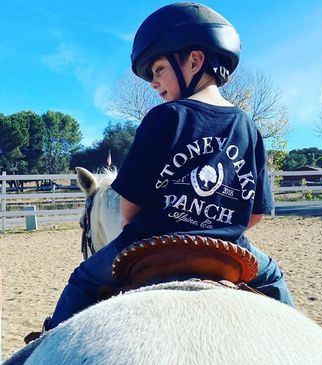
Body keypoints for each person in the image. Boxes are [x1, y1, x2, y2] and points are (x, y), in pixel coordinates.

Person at [48, 2, 294, 330]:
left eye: (158, 69)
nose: (153, 82)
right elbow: (256, 214)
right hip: (226, 247)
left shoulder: (165, 117)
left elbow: (128, 210)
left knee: (81, 280)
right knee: (274, 276)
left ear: (194, 60)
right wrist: (212, 228)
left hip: (149, 244)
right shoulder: (249, 128)